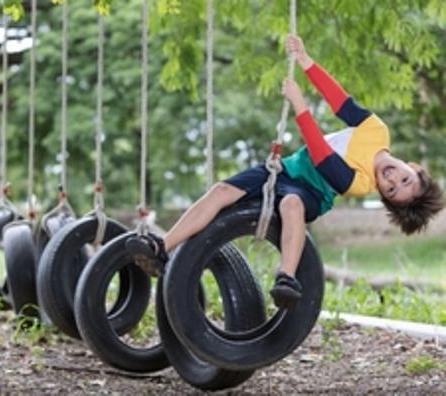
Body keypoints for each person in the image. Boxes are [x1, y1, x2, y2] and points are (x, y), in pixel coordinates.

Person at [126, 34, 444, 310]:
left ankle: (287, 279)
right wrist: (306, 61)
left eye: (391, 189)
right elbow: (340, 102)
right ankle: (162, 248)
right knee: (222, 191)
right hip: (285, 170)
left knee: (291, 205)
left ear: (381, 194)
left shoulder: (360, 184)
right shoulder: (377, 130)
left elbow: (322, 158)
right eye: (403, 178)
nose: (391, 179)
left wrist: (300, 106)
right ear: (413, 167)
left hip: (311, 191)